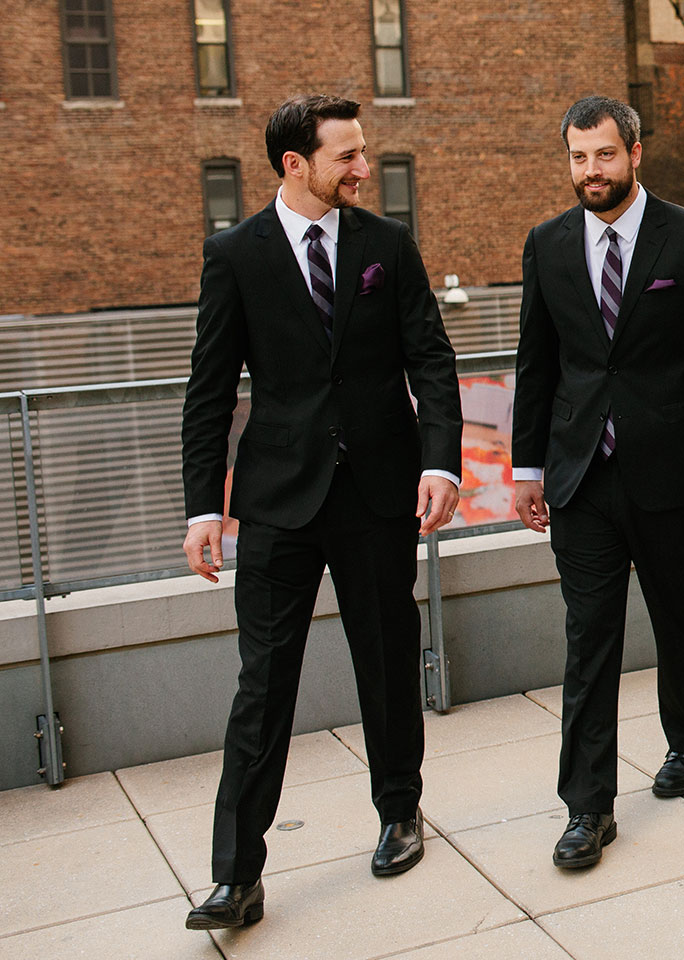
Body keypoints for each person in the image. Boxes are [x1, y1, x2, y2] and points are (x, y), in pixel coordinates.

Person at [181, 94, 463, 929]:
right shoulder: (234, 255)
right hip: (276, 503)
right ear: (295, 165)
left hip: (379, 493)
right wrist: (204, 507)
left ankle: (400, 813)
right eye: (347, 156)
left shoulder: (387, 245)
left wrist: (440, 460)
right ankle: (237, 876)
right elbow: (206, 393)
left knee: (386, 660)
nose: (364, 168)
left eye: (364, 152)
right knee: (263, 685)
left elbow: (432, 359)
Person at [511, 96, 684, 868]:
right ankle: (587, 807)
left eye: (604, 156)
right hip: (581, 475)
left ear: (635, 153)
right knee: (588, 642)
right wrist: (526, 468)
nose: (591, 172)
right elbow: (537, 364)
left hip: (672, 473)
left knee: (679, 613)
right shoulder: (546, 245)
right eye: (579, 158)